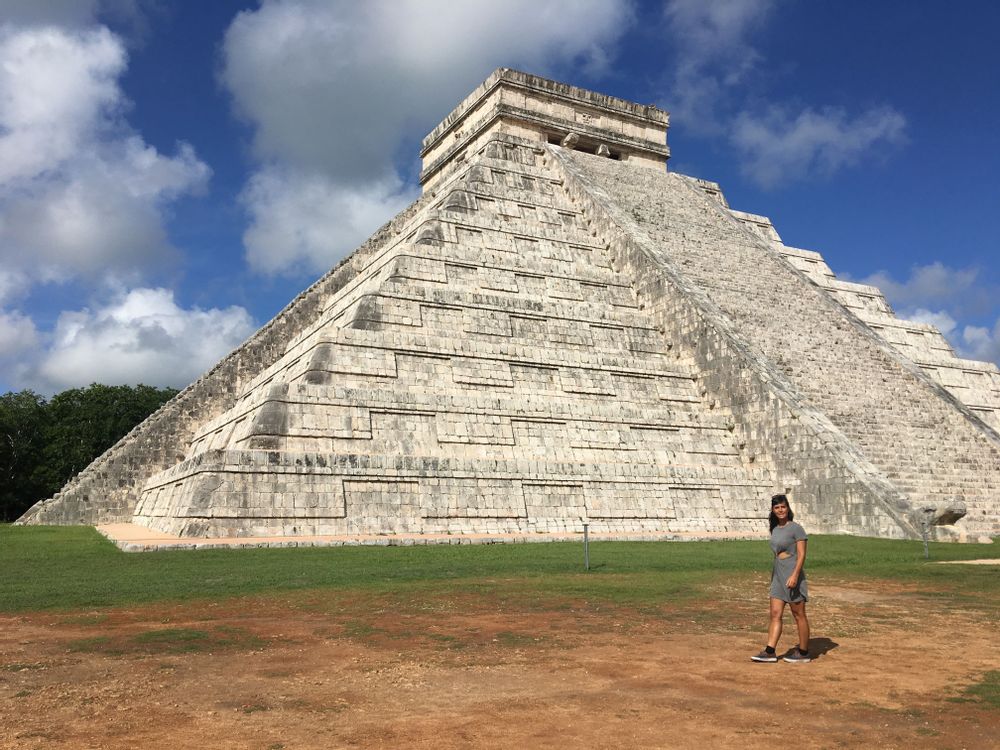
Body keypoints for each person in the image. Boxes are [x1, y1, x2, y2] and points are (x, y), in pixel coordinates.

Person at [751, 494, 811, 663]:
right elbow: (776, 553)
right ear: (773, 510)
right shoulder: (775, 529)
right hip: (778, 575)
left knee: (798, 614)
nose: (780, 510)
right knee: (775, 614)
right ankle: (770, 651)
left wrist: (795, 575)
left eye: (783, 507)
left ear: (788, 508)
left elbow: (802, 555)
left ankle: (804, 652)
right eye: (777, 508)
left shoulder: (796, 529)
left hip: (792, 574)